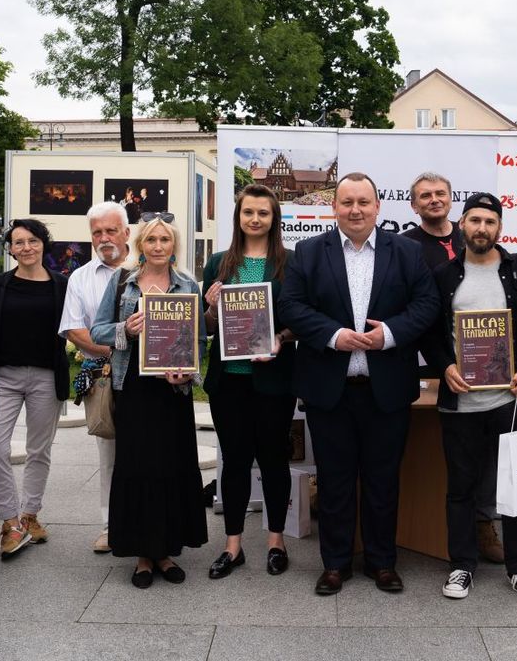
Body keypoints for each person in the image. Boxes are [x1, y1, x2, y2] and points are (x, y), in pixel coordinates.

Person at [279, 172, 439, 595]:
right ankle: (335, 564)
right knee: (333, 481)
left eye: (363, 202)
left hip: (385, 390)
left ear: (377, 207)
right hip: (329, 391)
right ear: (334, 208)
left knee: (383, 481)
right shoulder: (308, 252)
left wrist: (387, 335)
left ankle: (382, 562)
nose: (355, 210)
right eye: (347, 202)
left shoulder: (405, 252)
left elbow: (427, 304)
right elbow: (291, 306)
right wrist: (333, 335)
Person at [422, 193, 517, 601]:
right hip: (460, 404)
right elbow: (430, 334)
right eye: (475, 220)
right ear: (461, 224)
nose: (482, 228)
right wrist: (445, 365)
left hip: (510, 400)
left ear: (500, 228)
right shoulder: (444, 276)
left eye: (490, 222)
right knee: (460, 489)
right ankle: (462, 566)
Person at [90, 216, 208, 588]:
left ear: (174, 245)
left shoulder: (188, 285)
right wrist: (126, 328)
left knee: (170, 467)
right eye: (152, 240)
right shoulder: (122, 283)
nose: (158, 246)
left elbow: (200, 341)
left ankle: (166, 550)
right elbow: (97, 330)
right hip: (134, 389)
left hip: (171, 392)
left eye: (165, 240)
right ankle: (142, 554)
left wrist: (187, 373)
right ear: (140, 244)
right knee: (137, 467)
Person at [401, 173, 506, 563]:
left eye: (440, 193)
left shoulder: (479, 238)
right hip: (426, 365)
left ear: (453, 204)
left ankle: (482, 523)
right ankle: (424, 524)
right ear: (413, 205)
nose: (433, 200)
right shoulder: (405, 246)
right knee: (434, 452)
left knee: (486, 454)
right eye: (425, 196)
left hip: (487, 373)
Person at [201, 185, 297, 579]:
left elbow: (299, 319)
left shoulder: (289, 264)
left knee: (274, 461)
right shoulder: (220, 263)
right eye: (248, 212)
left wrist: (281, 337)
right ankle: (233, 545)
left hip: (273, 379)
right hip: (230, 381)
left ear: (274, 220)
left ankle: (276, 541)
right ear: (238, 217)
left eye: (263, 213)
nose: (255, 219)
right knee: (235, 461)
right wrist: (209, 306)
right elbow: (208, 329)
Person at [0, 219, 71, 559]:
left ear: (44, 244)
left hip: (46, 378)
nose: (26, 248)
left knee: (39, 449)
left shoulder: (61, 285)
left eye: (32, 241)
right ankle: (10, 520)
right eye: (18, 243)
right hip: (3, 376)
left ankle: (30, 514)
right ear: (10, 248)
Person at [58, 201, 131, 553]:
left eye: (111, 230)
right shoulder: (81, 277)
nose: (104, 238)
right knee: (109, 453)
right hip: (104, 378)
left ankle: (150, 522)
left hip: (151, 380)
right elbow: (74, 329)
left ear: (127, 232)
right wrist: (116, 354)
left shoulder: (150, 266)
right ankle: (109, 525)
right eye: (97, 233)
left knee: (152, 449)